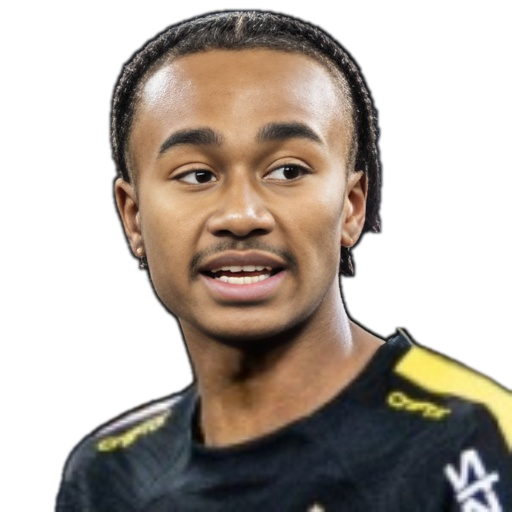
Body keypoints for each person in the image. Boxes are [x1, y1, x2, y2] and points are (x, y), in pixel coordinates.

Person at [58, 11, 512, 511]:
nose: (241, 215)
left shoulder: (473, 438)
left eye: (288, 170)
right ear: (134, 218)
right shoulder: (109, 476)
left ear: (352, 207)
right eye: (196, 175)